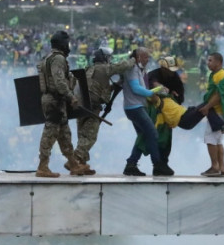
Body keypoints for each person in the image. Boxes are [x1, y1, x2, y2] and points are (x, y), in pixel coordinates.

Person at [36, 31, 90, 178]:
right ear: (62, 44)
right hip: (54, 100)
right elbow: (59, 81)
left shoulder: (49, 57)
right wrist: (71, 97)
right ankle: (42, 166)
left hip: (57, 100)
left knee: (65, 134)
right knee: (50, 133)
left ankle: (73, 164)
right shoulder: (58, 59)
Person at [73, 47, 134, 174]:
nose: (110, 60)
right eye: (109, 58)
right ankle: (74, 160)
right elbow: (121, 66)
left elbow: (98, 87)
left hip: (81, 106)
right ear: (104, 58)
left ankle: (81, 166)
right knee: (90, 136)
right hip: (92, 107)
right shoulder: (103, 68)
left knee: (83, 136)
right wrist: (133, 60)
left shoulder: (89, 69)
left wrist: (111, 88)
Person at [122, 48, 174, 177]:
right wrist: (153, 93)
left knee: (143, 137)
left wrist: (158, 89)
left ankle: (131, 165)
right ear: (138, 57)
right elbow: (136, 88)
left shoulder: (140, 70)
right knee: (152, 132)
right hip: (135, 107)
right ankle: (157, 165)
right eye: (146, 57)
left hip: (138, 107)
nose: (148, 59)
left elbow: (142, 88)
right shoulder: (133, 69)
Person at [199, 52, 224, 178]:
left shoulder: (221, 75)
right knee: (218, 141)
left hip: (217, 112)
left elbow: (218, 95)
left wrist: (207, 107)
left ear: (219, 63)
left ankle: (214, 167)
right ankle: (222, 168)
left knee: (210, 139)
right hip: (218, 112)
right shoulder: (216, 74)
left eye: (210, 60)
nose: (208, 62)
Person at [146, 55, 187, 166]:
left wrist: (174, 95)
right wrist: (160, 88)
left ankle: (164, 163)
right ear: (163, 68)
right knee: (153, 137)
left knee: (166, 139)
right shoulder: (152, 75)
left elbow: (180, 96)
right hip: (154, 112)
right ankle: (155, 163)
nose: (171, 73)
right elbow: (150, 88)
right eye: (169, 70)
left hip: (168, 114)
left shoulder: (175, 77)